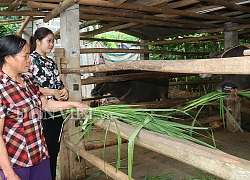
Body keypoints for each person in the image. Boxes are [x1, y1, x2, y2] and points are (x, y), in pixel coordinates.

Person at [0, 34, 88, 180]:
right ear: (8, 58)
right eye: (25, 56)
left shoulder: (27, 79)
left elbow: (45, 104)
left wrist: (74, 104)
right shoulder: (2, 87)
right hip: (16, 162)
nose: (29, 60)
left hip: (39, 155)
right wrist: (9, 173)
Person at [28, 27, 68, 180]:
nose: (51, 44)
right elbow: (30, 87)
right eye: (48, 41)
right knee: (43, 150)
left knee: (53, 148)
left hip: (56, 110)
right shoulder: (30, 60)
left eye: (53, 41)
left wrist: (64, 90)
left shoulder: (50, 62)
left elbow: (58, 84)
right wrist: (52, 92)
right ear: (38, 41)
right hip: (40, 111)